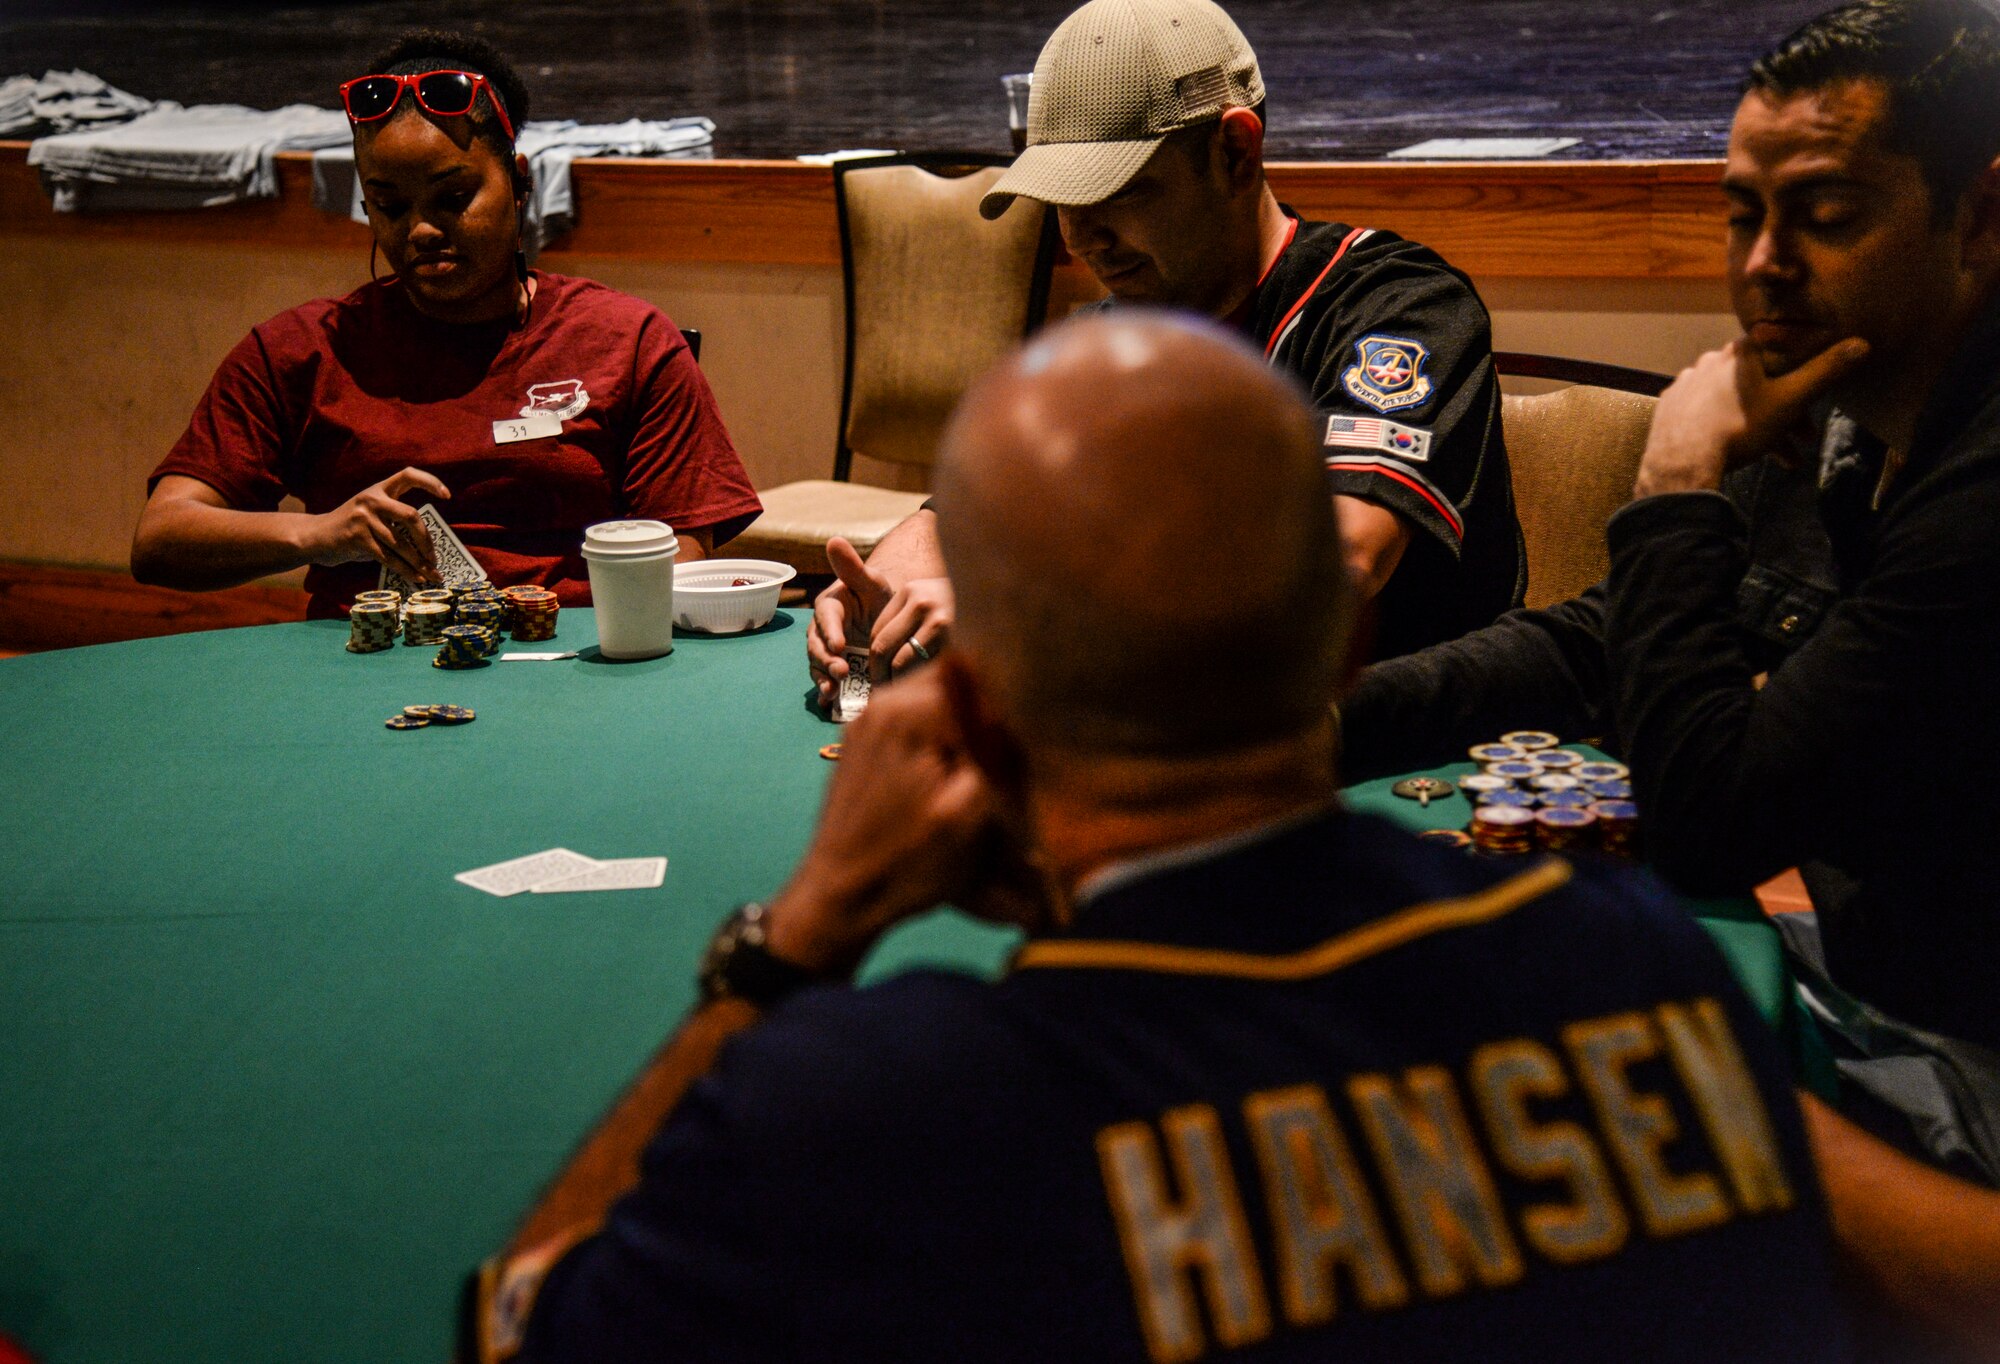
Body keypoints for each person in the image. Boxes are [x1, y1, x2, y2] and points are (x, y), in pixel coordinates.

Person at [473, 315, 1846, 1364]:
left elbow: (516, 1318)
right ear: (1352, 640)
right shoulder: (1630, 962)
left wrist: (796, 942)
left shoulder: (868, 1106)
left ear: (967, 693)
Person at [1339, 0, 2000, 1066]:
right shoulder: (1837, 402)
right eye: (1744, 215)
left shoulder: (1976, 497)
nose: (1762, 266)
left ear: (1979, 216)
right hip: (1868, 969)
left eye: (1825, 213)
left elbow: (1707, 819)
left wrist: (1676, 478)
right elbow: (1595, 644)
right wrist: (1313, 722)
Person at [805, 0, 1527, 708]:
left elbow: (1339, 560)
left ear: (1235, 152)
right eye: (1061, 200)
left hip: (1397, 754)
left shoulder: (1400, 308)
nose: (1080, 238)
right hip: (1173, 752)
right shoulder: (1103, 347)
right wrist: (880, 600)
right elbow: (957, 520)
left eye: (1116, 191)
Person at [131, 30, 761, 618]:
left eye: (454, 197)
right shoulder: (301, 349)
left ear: (519, 183)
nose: (423, 231)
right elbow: (162, 539)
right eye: (390, 206)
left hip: (568, 663)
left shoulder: (625, 341)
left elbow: (685, 547)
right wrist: (318, 533)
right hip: (362, 673)